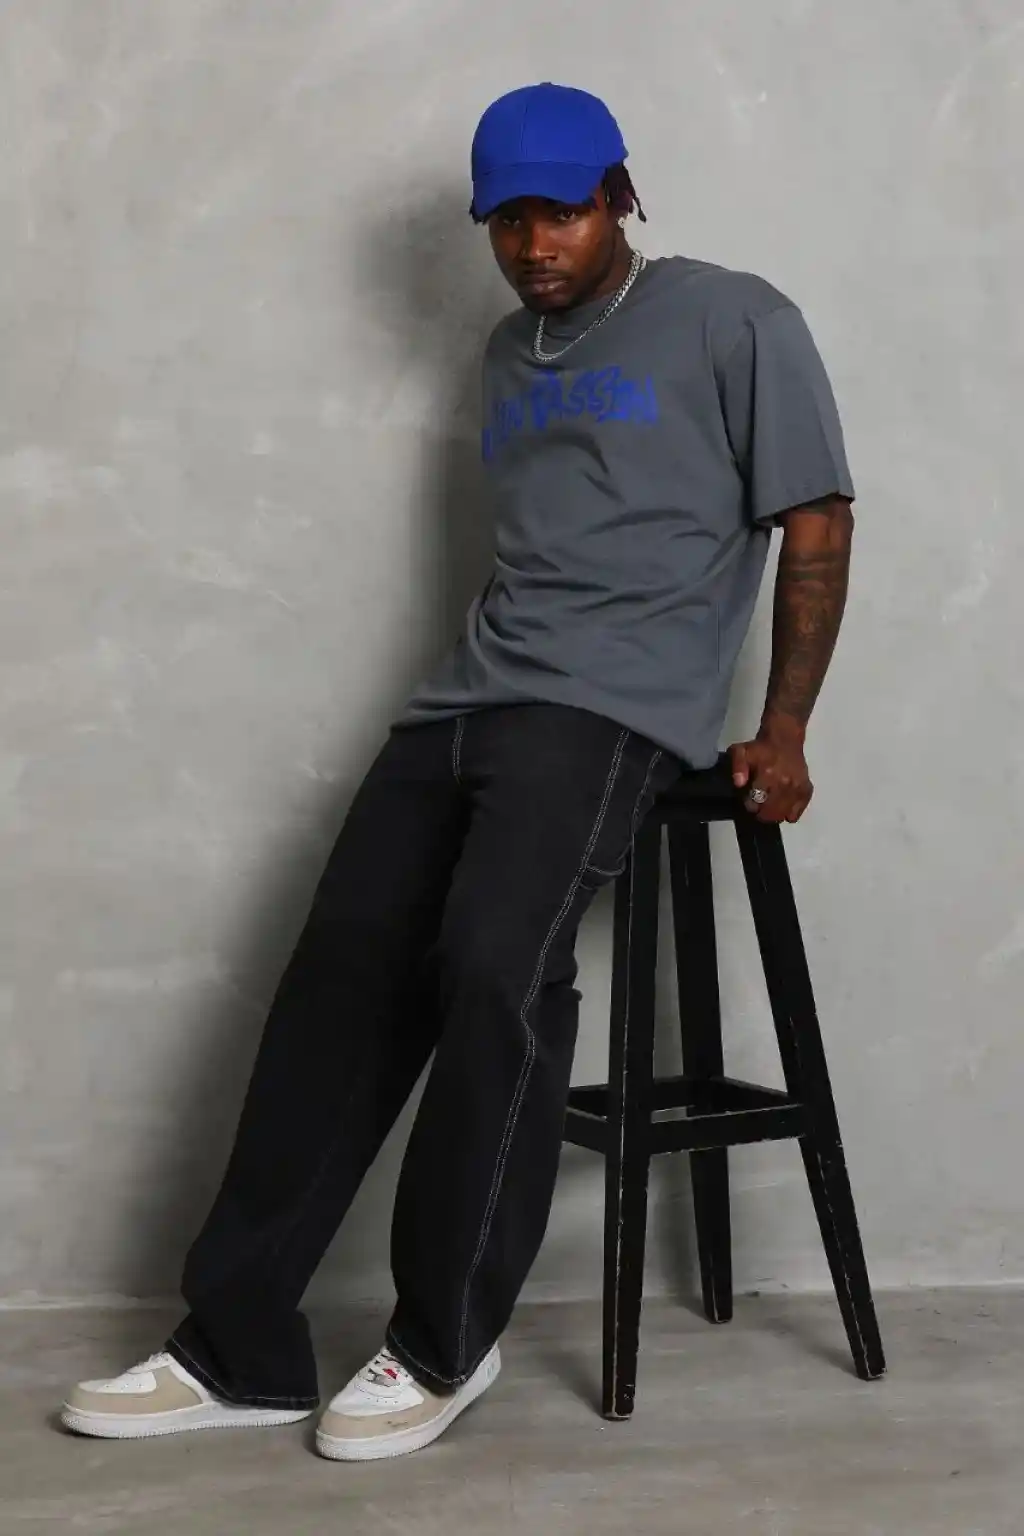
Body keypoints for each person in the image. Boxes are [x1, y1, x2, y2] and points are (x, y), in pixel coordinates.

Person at [60, 82, 856, 1461]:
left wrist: (785, 730)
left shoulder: (736, 317)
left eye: (562, 213)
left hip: (609, 710)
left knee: (495, 963)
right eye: (507, 222)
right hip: (468, 696)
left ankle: (442, 1342)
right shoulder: (508, 350)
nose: (534, 245)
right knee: (340, 972)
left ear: (621, 195)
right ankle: (238, 1348)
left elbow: (818, 523)